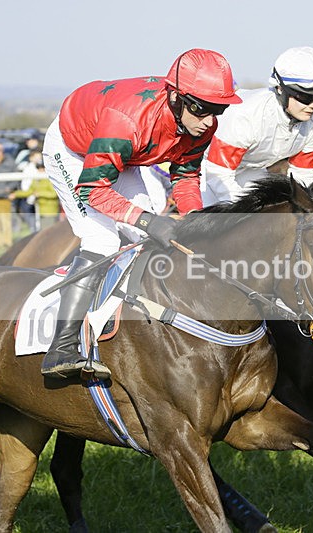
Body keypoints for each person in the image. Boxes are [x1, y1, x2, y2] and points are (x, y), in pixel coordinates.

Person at [41, 48, 241, 379]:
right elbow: (93, 190)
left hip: (127, 155)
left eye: (218, 109)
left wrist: (198, 222)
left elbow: (185, 177)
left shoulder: (202, 124)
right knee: (103, 239)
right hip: (74, 150)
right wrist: (147, 219)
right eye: (201, 108)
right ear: (176, 97)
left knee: (146, 238)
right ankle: (60, 349)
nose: (209, 120)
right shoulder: (128, 121)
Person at [201, 46, 313, 205]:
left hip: (251, 170)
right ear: (280, 89)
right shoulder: (246, 115)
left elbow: (303, 177)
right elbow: (218, 173)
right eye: (305, 97)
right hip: (208, 168)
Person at [9, 152, 59, 231]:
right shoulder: (36, 179)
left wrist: (40, 194)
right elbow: (29, 191)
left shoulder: (50, 179)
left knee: (50, 232)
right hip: (40, 211)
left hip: (50, 211)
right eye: (38, 168)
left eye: (42, 167)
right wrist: (16, 194)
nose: (40, 170)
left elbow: (54, 193)